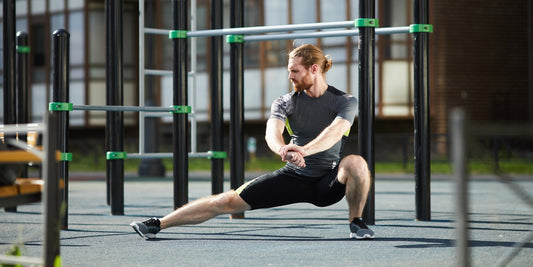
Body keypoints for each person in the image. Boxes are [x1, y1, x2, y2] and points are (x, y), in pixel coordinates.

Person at [130, 44, 374, 240]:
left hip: (327, 183)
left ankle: (356, 221)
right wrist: (283, 149)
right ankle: (158, 224)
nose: (290, 76)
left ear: (314, 70)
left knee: (356, 163)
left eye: (294, 71)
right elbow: (272, 131)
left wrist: (304, 150)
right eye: (289, 70)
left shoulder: (344, 101)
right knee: (226, 201)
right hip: (293, 177)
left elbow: (336, 131)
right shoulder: (285, 101)